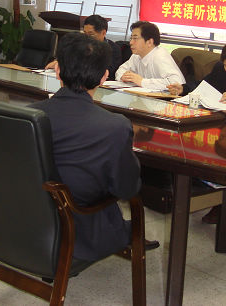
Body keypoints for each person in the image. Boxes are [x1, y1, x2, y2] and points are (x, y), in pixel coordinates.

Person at [30, 32, 143, 262]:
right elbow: (127, 188)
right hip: (78, 234)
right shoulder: (114, 126)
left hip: (24, 224)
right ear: (104, 77)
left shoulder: (27, 115)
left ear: (57, 70)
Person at [45, 14, 122, 80]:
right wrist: (60, 62)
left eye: (91, 34)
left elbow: (107, 71)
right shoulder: (81, 44)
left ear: (103, 33)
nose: (87, 37)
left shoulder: (113, 49)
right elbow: (70, 57)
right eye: (85, 33)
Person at [115, 21, 185, 90]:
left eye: (135, 38)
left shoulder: (160, 56)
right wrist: (123, 77)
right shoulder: (136, 55)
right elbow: (121, 70)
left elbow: (177, 82)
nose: (131, 42)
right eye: (131, 38)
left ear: (149, 42)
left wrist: (142, 82)